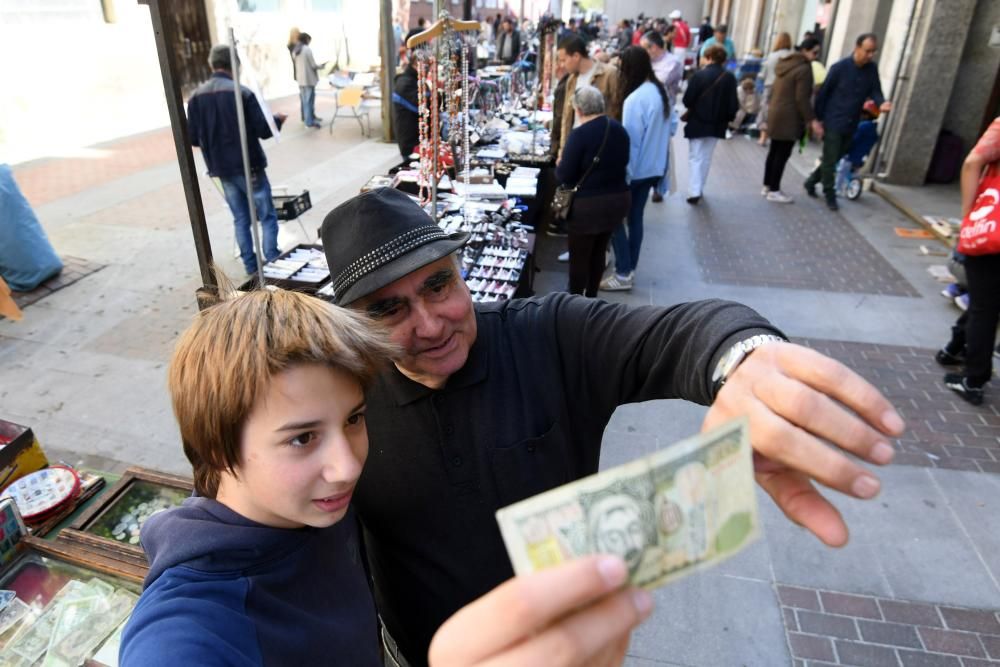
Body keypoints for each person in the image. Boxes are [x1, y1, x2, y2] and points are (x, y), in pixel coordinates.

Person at [318, 186, 905, 666]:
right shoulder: (344, 406)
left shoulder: (548, 335)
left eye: (438, 285)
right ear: (353, 325)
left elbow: (676, 334)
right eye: (388, 309)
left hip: (576, 651)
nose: (430, 324)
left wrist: (745, 360)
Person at [118, 287, 652, 666]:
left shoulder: (312, 511)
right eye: (302, 438)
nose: (348, 466)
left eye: (353, 420)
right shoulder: (195, 623)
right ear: (216, 447)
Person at [186, 45, 283, 276]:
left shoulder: (196, 97)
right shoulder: (242, 92)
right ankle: (273, 262)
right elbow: (264, 129)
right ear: (235, 65)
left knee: (241, 218)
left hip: (220, 168)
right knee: (267, 214)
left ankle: (251, 266)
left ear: (212, 65)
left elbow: (193, 139)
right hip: (249, 166)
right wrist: (277, 120)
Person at [938, 116, 1000, 405]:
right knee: (985, 298)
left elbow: (971, 162)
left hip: (993, 230)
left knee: (984, 306)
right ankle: (953, 348)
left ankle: (973, 379)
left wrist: (968, 215)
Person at [601, 47, 670, 292]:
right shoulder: (659, 91)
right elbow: (670, 128)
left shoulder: (635, 99)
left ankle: (623, 271)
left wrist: (623, 176)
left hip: (636, 170)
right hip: (654, 167)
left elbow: (632, 143)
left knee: (615, 218)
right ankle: (628, 269)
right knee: (636, 218)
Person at [555, 86, 630, 297]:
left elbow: (565, 175)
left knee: (579, 257)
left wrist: (560, 162)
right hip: (617, 202)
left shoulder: (579, 135)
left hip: (588, 207)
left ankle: (576, 301)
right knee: (599, 251)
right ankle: (592, 296)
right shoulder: (618, 129)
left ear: (578, 110)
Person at [805, 33, 892, 211]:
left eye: (873, 52)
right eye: (867, 51)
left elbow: (875, 90)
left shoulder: (871, 69)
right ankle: (830, 194)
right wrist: (818, 120)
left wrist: (881, 102)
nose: (870, 55)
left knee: (836, 156)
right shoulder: (839, 68)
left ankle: (811, 181)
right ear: (857, 48)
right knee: (830, 159)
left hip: (852, 122)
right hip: (833, 120)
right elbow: (823, 95)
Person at [761, 37, 819, 204]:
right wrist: (811, 119)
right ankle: (774, 189)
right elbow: (802, 98)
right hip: (789, 116)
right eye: (814, 52)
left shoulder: (785, 64)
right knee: (782, 153)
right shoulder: (804, 69)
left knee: (774, 151)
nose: (815, 56)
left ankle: (767, 185)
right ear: (805, 51)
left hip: (776, 112)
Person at [682, 45, 738, 204]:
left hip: (698, 122)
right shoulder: (729, 77)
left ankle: (694, 190)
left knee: (696, 157)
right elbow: (733, 104)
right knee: (706, 157)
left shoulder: (699, 76)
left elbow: (687, 100)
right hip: (718, 124)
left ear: (709, 57)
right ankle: (699, 188)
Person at [555, 35, 621, 159]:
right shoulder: (571, 80)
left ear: (576, 56)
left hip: (599, 148)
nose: (562, 65)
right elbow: (567, 116)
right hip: (576, 145)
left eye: (564, 60)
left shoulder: (609, 74)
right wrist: (563, 150)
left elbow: (617, 111)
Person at [835, 100, 881, 195]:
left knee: (842, 171)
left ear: (867, 115)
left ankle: (837, 189)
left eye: (863, 113)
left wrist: (844, 147)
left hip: (851, 154)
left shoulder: (862, 126)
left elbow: (853, 139)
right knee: (852, 172)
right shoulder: (873, 130)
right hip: (861, 156)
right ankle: (851, 186)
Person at [756, 32, 793, 147]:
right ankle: (776, 137)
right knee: (782, 112)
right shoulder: (793, 56)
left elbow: (763, 74)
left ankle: (763, 137)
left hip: (770, 86)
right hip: (786, 88)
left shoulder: (772, 56)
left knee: (766, 111)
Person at [641, 30, 682, 105]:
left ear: (654, 47)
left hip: (664, 107)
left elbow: (657, 83)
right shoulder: (648, 60)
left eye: (644, 49)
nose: (642, 52)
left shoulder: (672, 62)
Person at [293, 32, 323, 129]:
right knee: (309, 101)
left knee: (304, 101)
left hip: (300, 80)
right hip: (309, 80)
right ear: (306, 39)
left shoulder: (296, 50)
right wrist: (321, 66)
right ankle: (309, 121)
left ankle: (307, 119)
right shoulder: (307, 50)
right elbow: (313, 65)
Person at [392, 59, 419, 161]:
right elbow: (420, 105)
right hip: (410, 140)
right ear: (416, 65)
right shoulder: (405, 83)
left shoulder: (411, 80)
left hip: (412, 137)